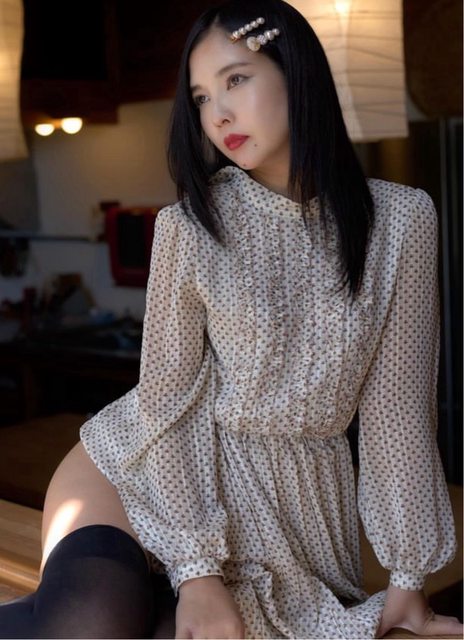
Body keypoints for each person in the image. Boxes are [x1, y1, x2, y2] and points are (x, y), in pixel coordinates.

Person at [0, 0, 462, 638]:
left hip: (294, 517)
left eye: (236, 79)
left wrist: (409, 578)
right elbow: (165, 404)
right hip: (146, 471)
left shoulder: (402, 221)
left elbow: (398, 414)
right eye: (200, 98)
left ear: (296, 72)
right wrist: (197, 572)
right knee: (90, 622)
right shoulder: (189, 225)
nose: (216, 114)